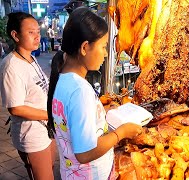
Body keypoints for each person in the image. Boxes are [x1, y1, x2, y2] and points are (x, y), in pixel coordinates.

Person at [47, 7, 142, 179]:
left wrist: (101, 113)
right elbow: (84, 153)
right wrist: (121, 133)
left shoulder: (63, 79)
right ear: (84, 48)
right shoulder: (79, 90)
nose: (106, 54)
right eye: (104, 46)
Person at [0, 12, 56, 179]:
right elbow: (15, 108)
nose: (37, 36)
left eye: (38, 31)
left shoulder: (30, 57)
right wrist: (51, 115)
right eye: (31, 32)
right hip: (32, 135)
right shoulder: (11, 66)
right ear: (15, 35)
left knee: (49, 170)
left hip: (46, 129)